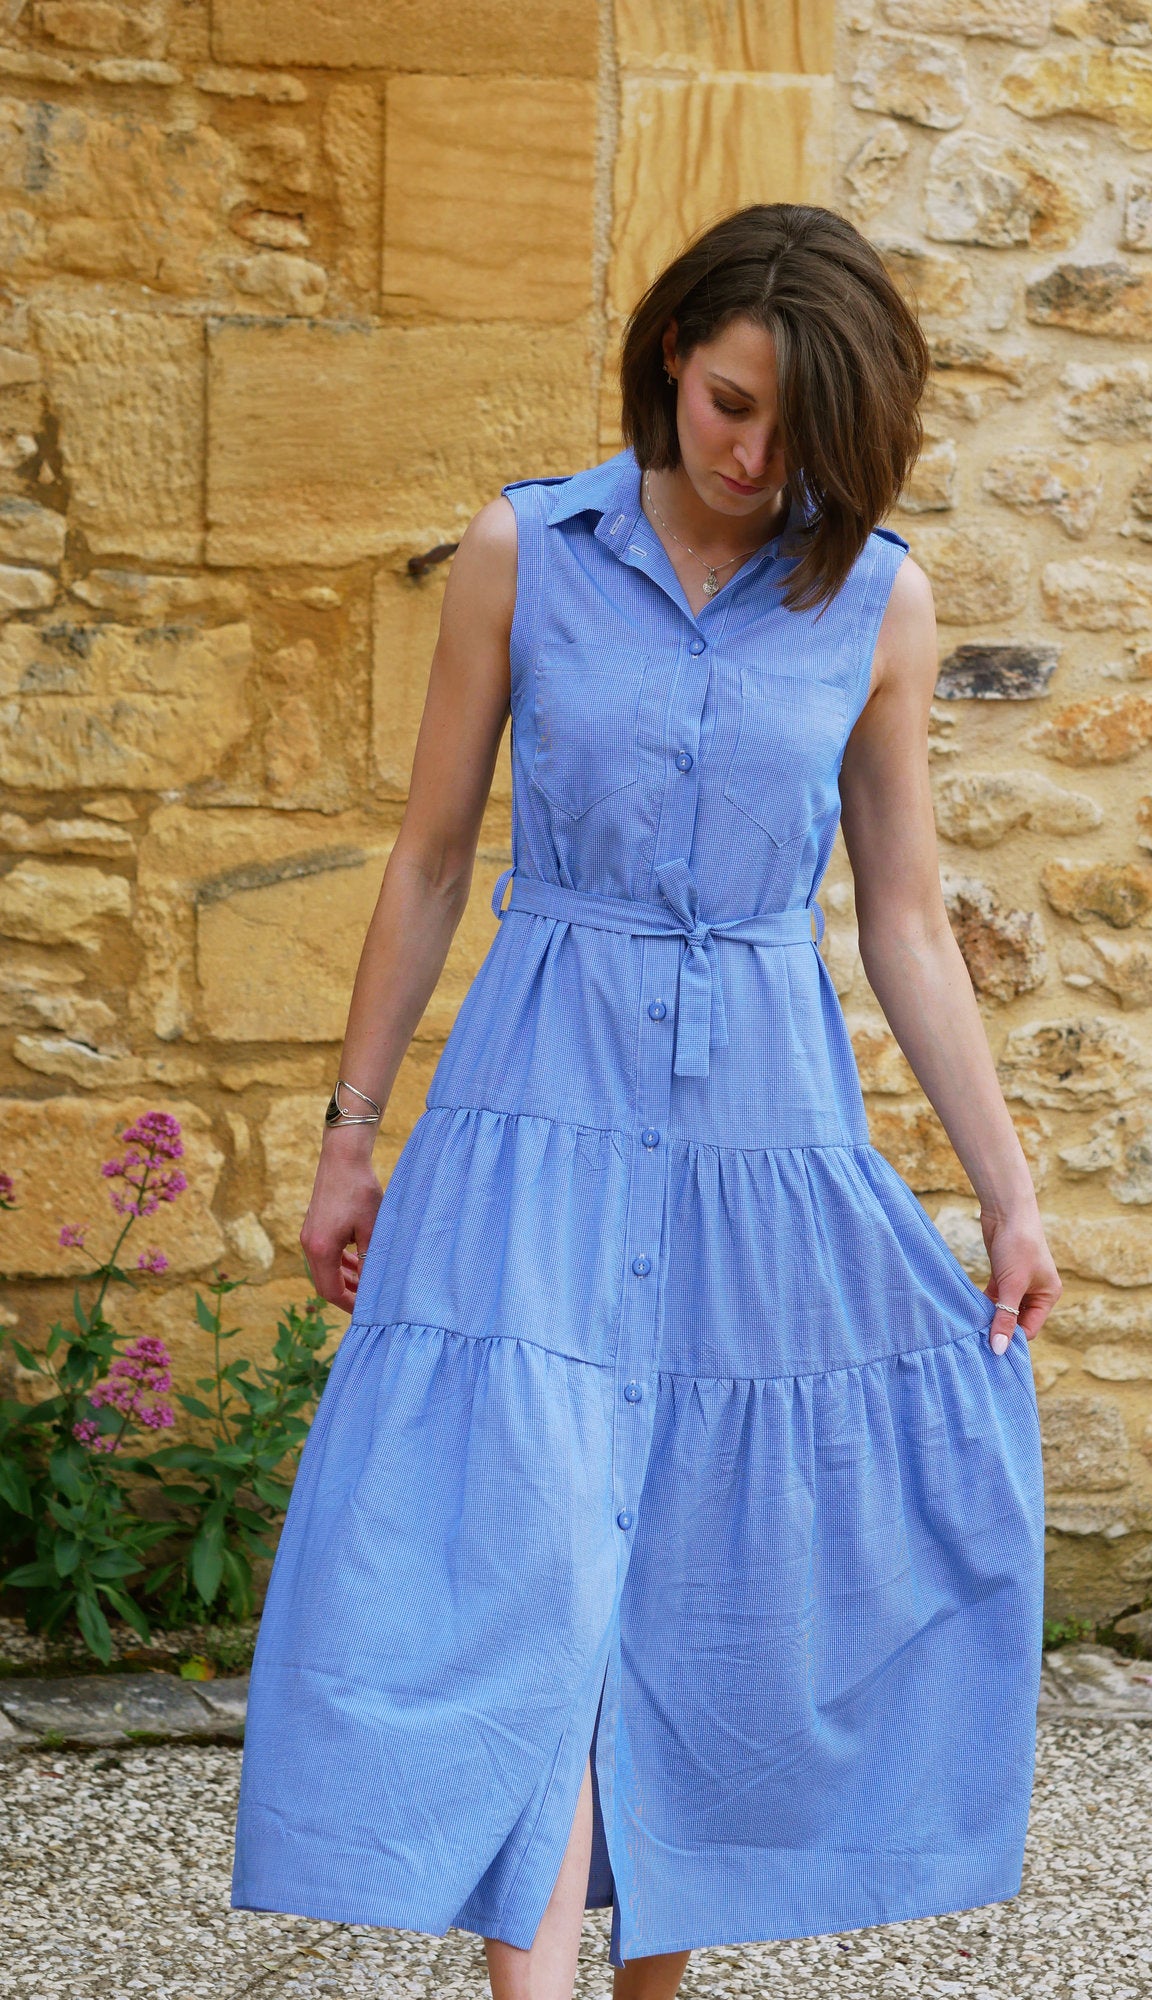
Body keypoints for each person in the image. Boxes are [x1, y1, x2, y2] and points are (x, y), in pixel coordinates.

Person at [230, 202, 1060, 2000]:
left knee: (708, 1577)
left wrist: (1006, 1193)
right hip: (535, 1104)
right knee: (522, 1570)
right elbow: (428, 861)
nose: (752, 459)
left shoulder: (877, 598)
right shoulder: (523, 552)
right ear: (672, 357)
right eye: (728, 406)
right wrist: (349, 1138)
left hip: (762, 1125)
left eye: (795, 431)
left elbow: (905, 920)